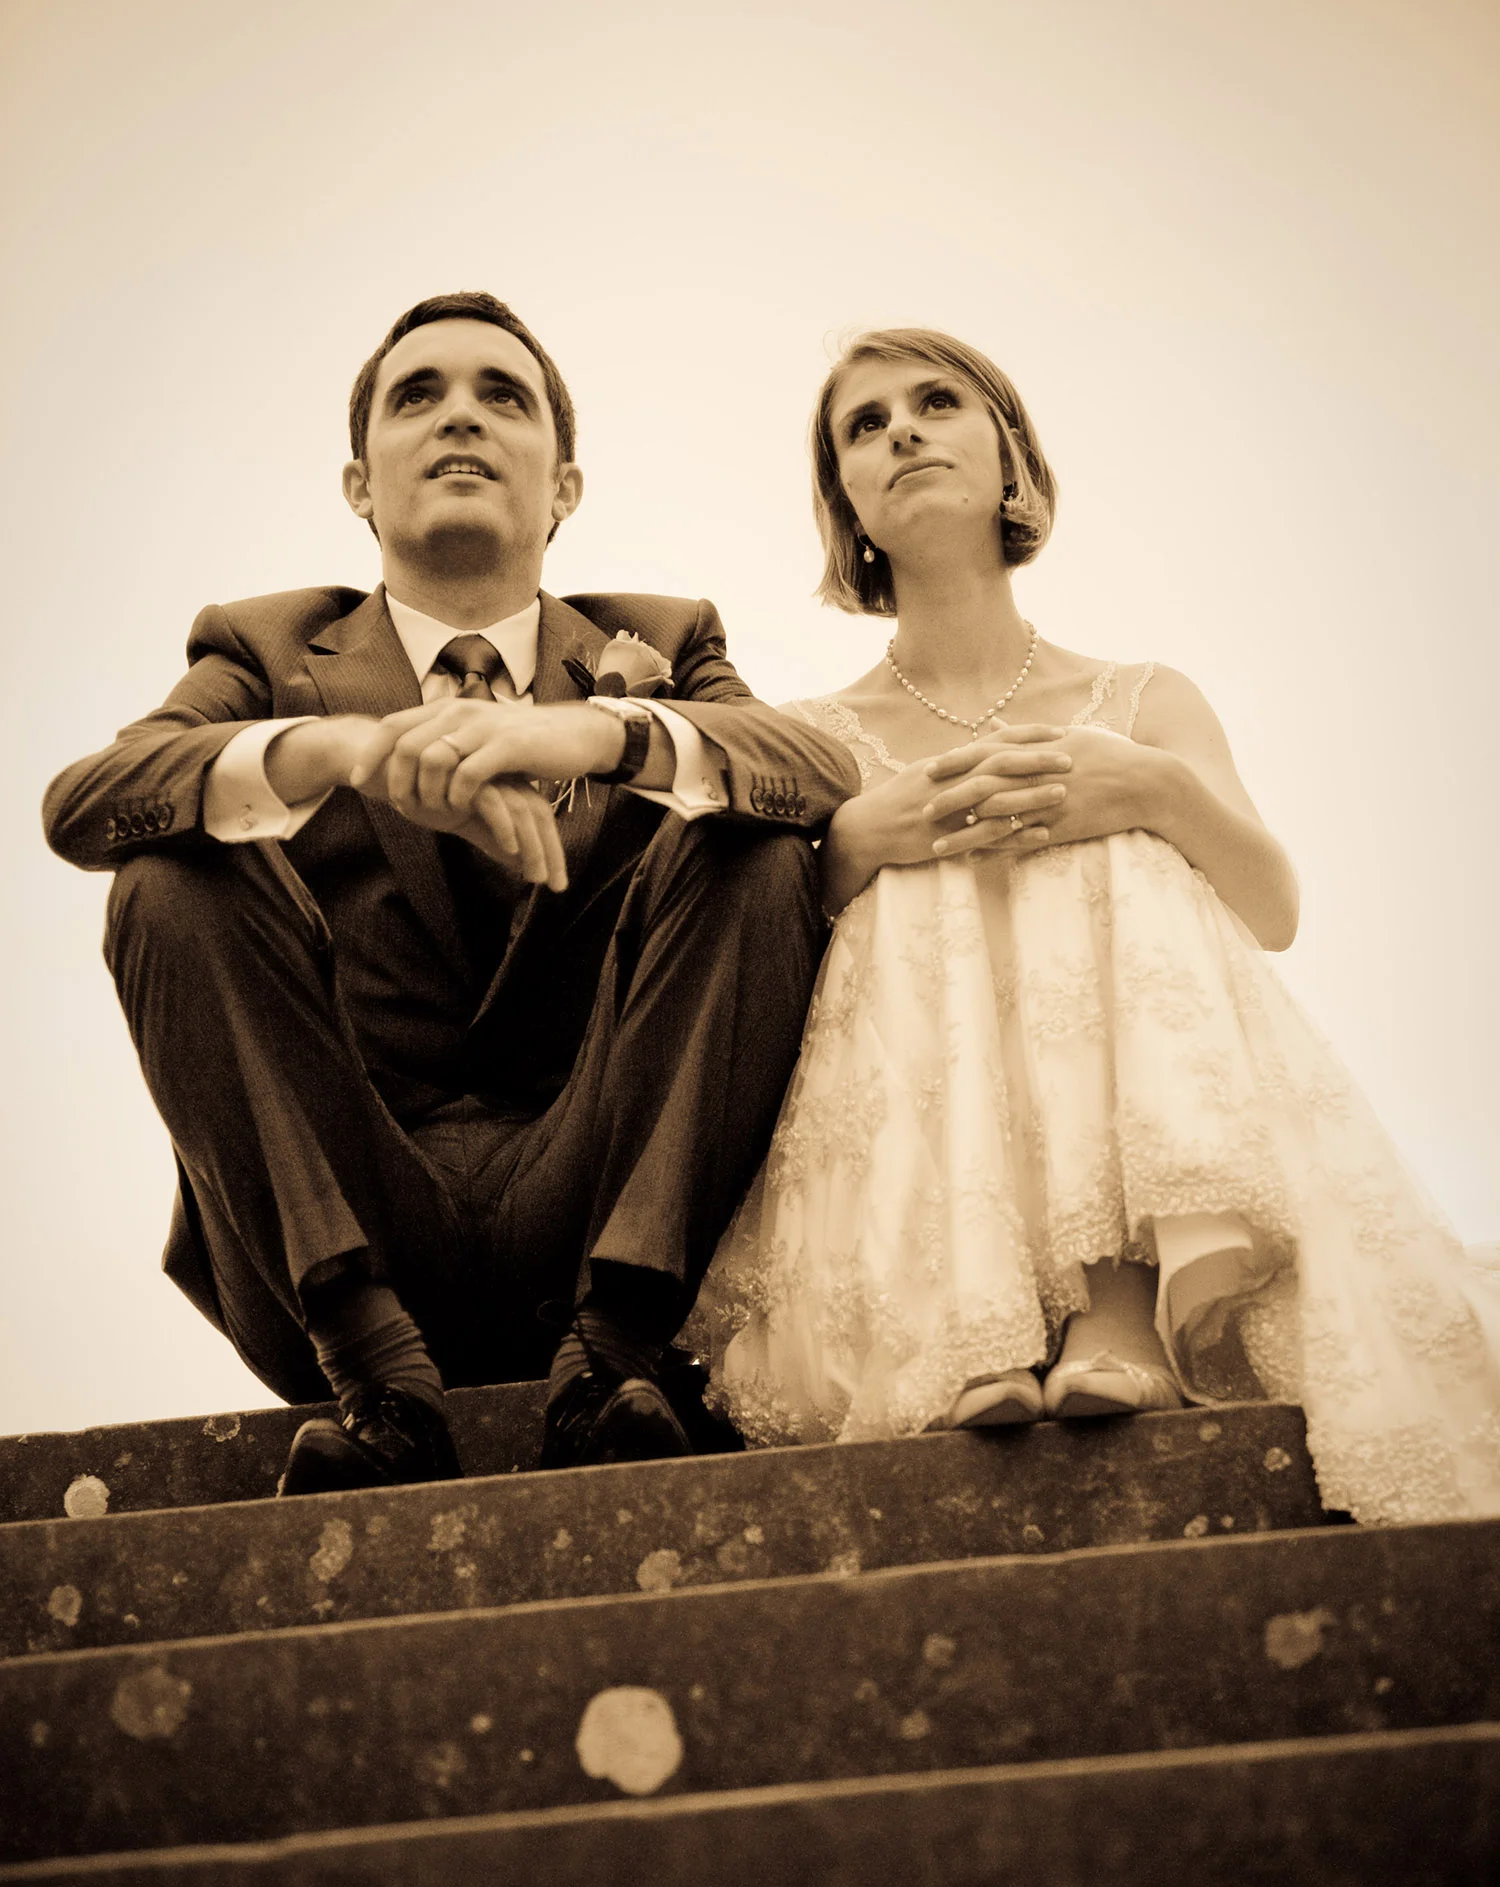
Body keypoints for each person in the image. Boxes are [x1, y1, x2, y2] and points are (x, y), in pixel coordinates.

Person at [43, 291, 859, 1495]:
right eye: (417, 396)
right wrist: (332, 753)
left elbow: (818, 773)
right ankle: (377, 1373)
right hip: (349, 1232)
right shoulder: (263, 649)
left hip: (607, 1209)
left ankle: (614, 1345)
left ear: (564, 486)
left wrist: (605, 737)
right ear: (360, 485)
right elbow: (86, 803)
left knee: (754, 839)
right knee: (168, 876)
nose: (460, 417)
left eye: (502, 395)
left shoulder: (665, 637)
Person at [688, 326, 1500, 1527]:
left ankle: (1122, 1297)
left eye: (937, 403)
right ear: (848, 506)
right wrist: (859, 840)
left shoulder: (1144, 696)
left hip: (1146, 1070)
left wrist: (1150, 790)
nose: (903, 429)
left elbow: (1272, 909)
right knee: (913, 862)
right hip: (909, 1129)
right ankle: (973, 1312)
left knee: (1113, 829)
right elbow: (766, 951)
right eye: (865, 425)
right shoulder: (819, 734)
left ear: (1011, 460)